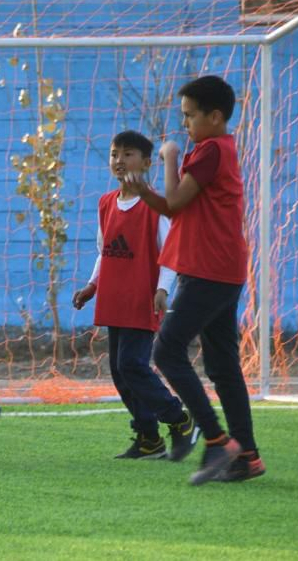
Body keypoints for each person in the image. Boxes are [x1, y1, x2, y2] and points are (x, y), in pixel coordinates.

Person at [124, 75, 264, 485]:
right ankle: (247, 456)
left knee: (166, 350)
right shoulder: (218, 148)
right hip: (223, 268)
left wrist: (168, 157)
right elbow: (172, 207)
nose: (183, 124)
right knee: (222, 365)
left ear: (215, 116)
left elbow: (173, 203)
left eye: (189, 116)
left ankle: (218, 441)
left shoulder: (208, 151)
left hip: (209, 270)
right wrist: (145, 191)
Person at [73, 130, 199, 461]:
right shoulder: (105, 203)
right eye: (115, 154)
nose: (119, 160)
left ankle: (181, 419)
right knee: (119, 370)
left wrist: (162, 289)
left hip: (142, 298)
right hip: (113, 297)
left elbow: (169, 253)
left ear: (145, 163)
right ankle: (148, 439)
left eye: (128, 154)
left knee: (132, 365)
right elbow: (105, 251)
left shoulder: (154, 206)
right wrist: (91, 285)